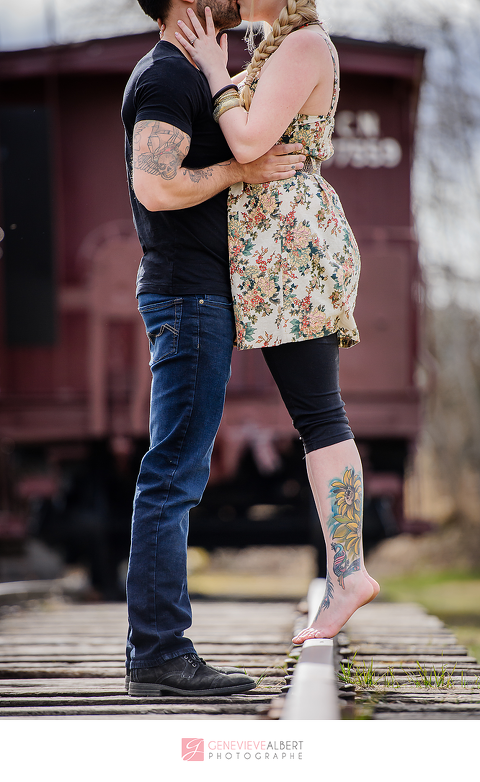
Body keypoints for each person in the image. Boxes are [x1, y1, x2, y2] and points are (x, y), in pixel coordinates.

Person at [175, 0, 380, 644]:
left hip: (293, 249)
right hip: (278, 250)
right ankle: (348, 574)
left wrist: (215, 71)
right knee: (316, 415)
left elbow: (247, 140)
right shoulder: (277, 45)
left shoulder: (304, 45)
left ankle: (349, 575)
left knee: (320, 416)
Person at [121, 0, 306, 696]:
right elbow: (154, 184)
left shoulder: (186, 71)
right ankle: (159, 655)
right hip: (188, 299)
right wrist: (240, 172)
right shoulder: (167, 76)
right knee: (172, 476)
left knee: (172, 473)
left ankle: (156, 652)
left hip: (194, 298)